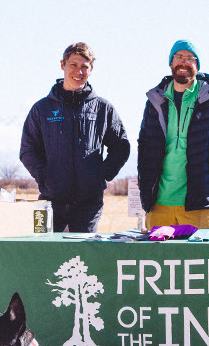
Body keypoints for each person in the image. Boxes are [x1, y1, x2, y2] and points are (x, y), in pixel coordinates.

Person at [20, 42, 130, 232]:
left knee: (83, 250)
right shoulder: (42, 108)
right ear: (62, 65)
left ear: (91, 70)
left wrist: (102, 175)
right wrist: (44, 177)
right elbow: (28, 150)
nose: (79, 72)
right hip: (50, 200)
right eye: (73, 65)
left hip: (89, 203)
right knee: (44, 249)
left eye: (84, 67)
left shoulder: (103, 108)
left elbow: (121, 146)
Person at [137, 40, 209, 229]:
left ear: (197, 65)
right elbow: (143, 145)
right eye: (179, 57)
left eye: (190, 58)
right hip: (158, 205)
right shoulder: (155, 100)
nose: (184, 62)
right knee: (157, 250)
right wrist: (145, 187)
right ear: (171, 62)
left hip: (197, 206)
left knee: (198, 250)